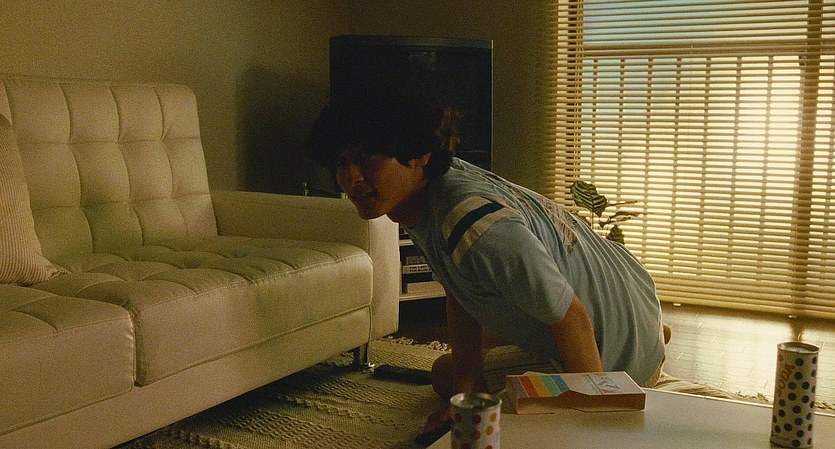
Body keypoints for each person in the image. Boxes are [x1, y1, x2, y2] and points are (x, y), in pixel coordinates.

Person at [305, 92, 668, 438]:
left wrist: (594, 420)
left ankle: (643, 349)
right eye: (341, 162)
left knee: (446, 374)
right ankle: (649, 331)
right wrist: (464, 397)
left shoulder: (472, 224)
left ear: (419, 155)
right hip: (632, 296)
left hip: (615, 361)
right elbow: (461, 293)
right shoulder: (430, 191)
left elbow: (571, 316)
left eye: (366, 159)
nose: (351, 178)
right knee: (455, 378)